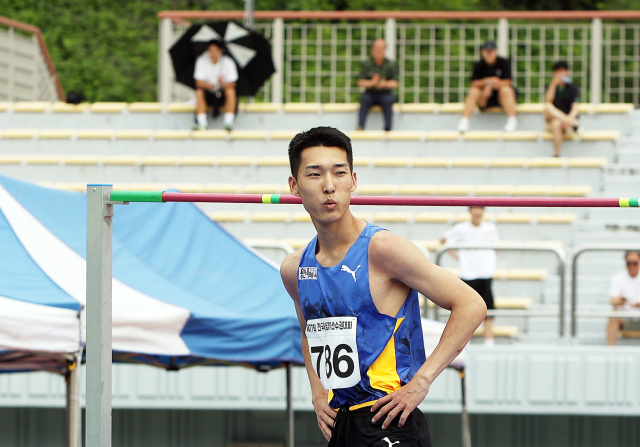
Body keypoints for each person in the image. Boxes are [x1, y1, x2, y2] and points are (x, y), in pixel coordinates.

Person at [280, 126, 486, 446]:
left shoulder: (383, 250)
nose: (329, 186)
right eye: (315, 175)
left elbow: (472, 304)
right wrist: (318, 392)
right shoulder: (295, 269)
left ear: (354, 181)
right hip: (341, 423)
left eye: (339, 173)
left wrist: (421, 382)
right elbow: (310, 331)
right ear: (294, 185)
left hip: (389, 419)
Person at [439, 207, 500, 346]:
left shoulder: (490, 228)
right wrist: (457, 257)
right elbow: (443, 240)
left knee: (488, 308)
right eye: (474, 208)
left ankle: (489, 342)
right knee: (466, 309)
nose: (477, 212)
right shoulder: (461, 228)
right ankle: (465, 343)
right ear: (470, 211)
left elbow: (496, 246)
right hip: (468, 274)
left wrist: (489, 261)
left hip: (485, 273)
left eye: (480, 208)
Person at [457, 40, 518, 132]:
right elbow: (473, 83)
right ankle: (464, 120)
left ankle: (512, 120)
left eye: (491, 51)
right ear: (483, 52)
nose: (489, 54)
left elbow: (508, 82)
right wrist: (488, 82)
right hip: (484, 98)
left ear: (496, 51)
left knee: (506, 90)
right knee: (473, 91)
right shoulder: (479, 64)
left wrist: (490, 85)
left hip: (501, 98)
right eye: (487, 51)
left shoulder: (503, 62)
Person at [193, 40, 238, 131]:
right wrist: (208, 85)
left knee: (230, 91)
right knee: (199, 91)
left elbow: (233, 82)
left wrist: (222, 84)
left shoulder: (228, 62)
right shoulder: (201, 61)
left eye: (215, 50)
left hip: (222, 94)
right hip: (209, 93)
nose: (213, 53)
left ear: (220, 51)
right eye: (211, 50)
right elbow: (198, 82)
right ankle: (202, 123)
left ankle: (228, 122)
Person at [357, 39, 399, 132]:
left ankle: (388, 129)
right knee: (364, 100)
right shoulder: (366, 64)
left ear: (385, 49)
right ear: (372, 49)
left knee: (388, 100)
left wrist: (384, 84)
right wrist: (372, 82)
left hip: (385, 93)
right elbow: (360, 82)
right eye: (376, 48)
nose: (378, 50)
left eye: (381, 48)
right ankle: (360, 126)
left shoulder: (391, 64)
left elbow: (395, 83)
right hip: (370, 93)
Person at [544, 60, 582, 157]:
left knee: (556, 123)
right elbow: (548, 101)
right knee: (548, 107)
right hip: (556, 119)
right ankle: (557, 153)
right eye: (559, 71)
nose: (561, 74)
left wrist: (568, 119)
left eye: (564, 71)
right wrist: (553, 84)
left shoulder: (573, 88)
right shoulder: (550, 87)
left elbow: (576, 106)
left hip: (567, 121)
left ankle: (557, 153)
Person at [606, 250, 640, 346]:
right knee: (613, 317)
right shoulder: (618, 277)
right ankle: (610, 350)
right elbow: (613, 301)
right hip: (625, 318)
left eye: (635, 263)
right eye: (629, 263)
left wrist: (625, 301)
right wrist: (628, 302)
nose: (631, 266)